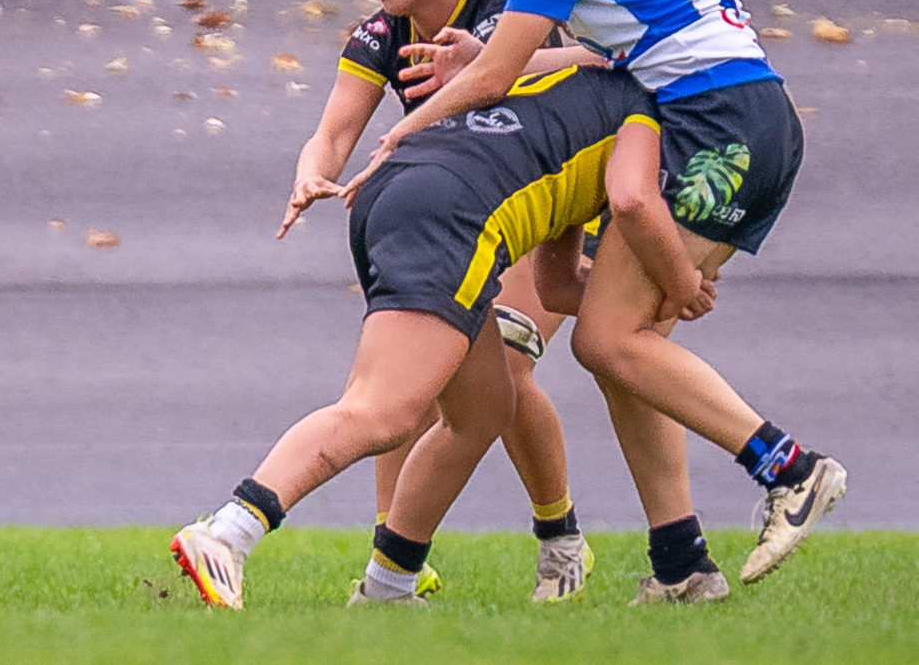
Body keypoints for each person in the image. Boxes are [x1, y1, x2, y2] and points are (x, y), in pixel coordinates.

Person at [345, 0, 845, 602]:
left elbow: (497, 79)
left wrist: (406, 131)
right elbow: (612, 47)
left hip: (714, 126)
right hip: (742, 109)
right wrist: (489, 59)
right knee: (623, 342)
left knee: (612, 340)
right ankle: (683, 565)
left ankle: (789, 467)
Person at [174, 66, 664, 609]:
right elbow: (633, 204)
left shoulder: (580, 90)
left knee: (485, 408)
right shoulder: (641, 117)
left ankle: (390, 584)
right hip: (448, 217)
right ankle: (227, 534)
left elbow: (554, 280)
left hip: (398, 190)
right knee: (380, 411)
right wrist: (679, 285)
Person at [278, 0, 599, 602]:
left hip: (552, 209)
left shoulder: (506, 15)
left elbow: (543, 98)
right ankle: (400, 564)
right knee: (413, 391)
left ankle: (561, 542)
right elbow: (333, 132)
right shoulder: (380, 34)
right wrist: (310, 175)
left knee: (505, 372)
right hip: (460, 214)